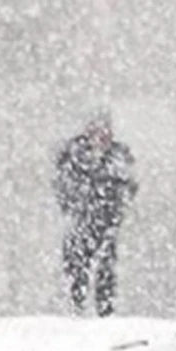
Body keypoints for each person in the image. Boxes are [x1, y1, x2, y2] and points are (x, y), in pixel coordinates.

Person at [53, 110, 138, 317]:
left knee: (106, 267)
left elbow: (129, 185)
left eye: (105, 130)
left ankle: (105, 311)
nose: (102, 135)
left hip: (108, 221)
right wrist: (77, 204)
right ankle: (76, 308)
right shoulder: (74, 154)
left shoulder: (118, 156)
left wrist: (117, 206)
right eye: (97, 129)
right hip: (81, 220)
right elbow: (63, 186)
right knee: (77, 265)